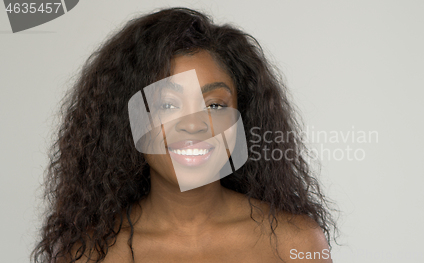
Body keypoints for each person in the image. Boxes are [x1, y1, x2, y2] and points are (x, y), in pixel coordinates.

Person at [31, 7, 340, 263]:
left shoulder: (295, 243)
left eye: (215, 104)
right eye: (167, 104)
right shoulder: (91, 255)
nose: (194, 125)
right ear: (131, 121)